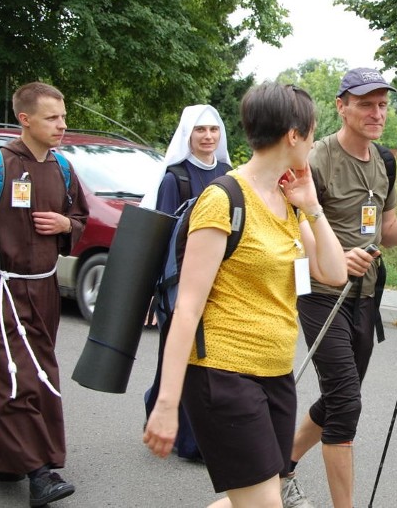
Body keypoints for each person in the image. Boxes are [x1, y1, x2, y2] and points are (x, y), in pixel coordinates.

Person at [143, 83, 347, 508]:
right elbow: (188, 307)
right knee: (265, 504)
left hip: (275, 374)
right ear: (294, 135)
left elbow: (333, 271)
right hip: (223, 374)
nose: (313, 141)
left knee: (253, 499)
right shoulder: (224, 199)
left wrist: (311, 205)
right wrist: (166, 403)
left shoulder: (289, 201)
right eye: (311, 132)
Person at [284, 68, 397, 508]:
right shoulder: (315, 159)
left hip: (364, 298)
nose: (377, 112)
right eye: (366, 103)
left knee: (337, 399)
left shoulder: (384, 161)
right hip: (319, 294)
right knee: (346, 404)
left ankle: (278, 467)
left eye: (383, 104)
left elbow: (386, 231)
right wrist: (332, 260)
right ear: (341, 105)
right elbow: (286, 234)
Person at [0, 82, 89, 506]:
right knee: (15, 374)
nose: (62, 125)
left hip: (44, 288)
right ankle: (38, 472)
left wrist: (67, 227)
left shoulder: (63, 169)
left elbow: (79, 216)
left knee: (41, 371)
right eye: (52, 118)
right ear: (25, 119)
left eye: (63, 117)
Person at [141, 104, 233, 461]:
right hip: (179, 283)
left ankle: (187, 429)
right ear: (187, 135)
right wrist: (157, 294)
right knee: (177, 356)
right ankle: (185, 438)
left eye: (213, 130)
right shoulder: (174, 178)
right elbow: (162, 237)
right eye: (200, 130)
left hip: (220, 284)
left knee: (208, 359)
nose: (208, 136)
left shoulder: (229, 174)